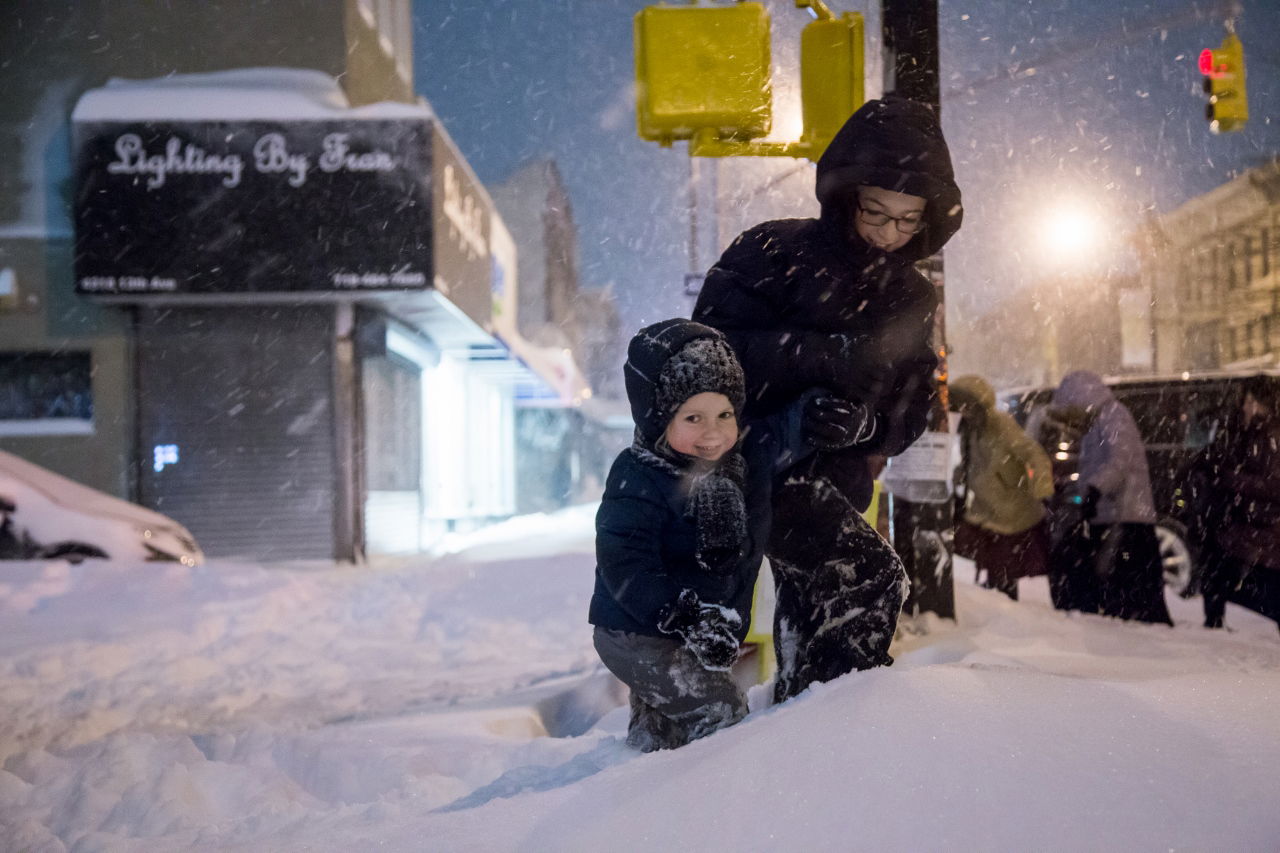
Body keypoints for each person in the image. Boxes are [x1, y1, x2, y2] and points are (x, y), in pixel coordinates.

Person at [692, 94, 963, 702]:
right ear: (846, 197)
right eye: (877, 213)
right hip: (751, 466)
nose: (891, 233)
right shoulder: (773, 253)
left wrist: (864, 426)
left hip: (834, 482)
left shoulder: (913, 297)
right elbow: (708, 354)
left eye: (908, 220)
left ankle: (803, 726)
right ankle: (838, 727)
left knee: (812, 610)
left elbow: (914, 403)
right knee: (867, 580)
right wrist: (818, 361)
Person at [589, 318, 856, 750]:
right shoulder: (638, 477)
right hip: (638, 632)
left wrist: (821, 415)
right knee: (720, 712)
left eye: (725, 414)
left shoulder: (745, 457)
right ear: (658, 417)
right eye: (693, 417)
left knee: (667, 725)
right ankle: (720, 796)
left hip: (695, 628)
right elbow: (625, 564)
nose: (713, 434)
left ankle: (640, 778)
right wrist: (685, 615)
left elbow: (788, 427)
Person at [1040, 370, 1172, 625]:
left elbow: (1118, 462)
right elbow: (1098, 466)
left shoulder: (1113, 415)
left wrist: (1094, 490)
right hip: (1113, 515)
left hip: (1125, 514)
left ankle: (1134, 628)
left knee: (1127, 585)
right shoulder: (1101, 420)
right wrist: (1073, 487)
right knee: (1123, 587)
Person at [1184, 376, 1280, 631]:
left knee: (1257, 588)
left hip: (1262, 526)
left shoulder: (1270, 436)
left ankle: (1217, 620)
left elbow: (1272, 484)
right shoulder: (1247, 431)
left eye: (1249, 400)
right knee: (1221, 572)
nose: (1244, 405)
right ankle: (1214, 620)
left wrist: (1230, 478)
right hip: (1246, 523)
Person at [949, 375, 1054, 601]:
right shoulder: (969, 430)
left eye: (969, 405)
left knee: (1004, 566)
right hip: (987, 509)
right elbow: (971, 465)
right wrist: (955, 479)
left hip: (1010, 511)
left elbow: (1032, 453)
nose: (965, 411)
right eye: (961, 405)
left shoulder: (1000, 425)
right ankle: (999, 604)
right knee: (994, 562)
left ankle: (1005, 609)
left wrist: (1042, 487)